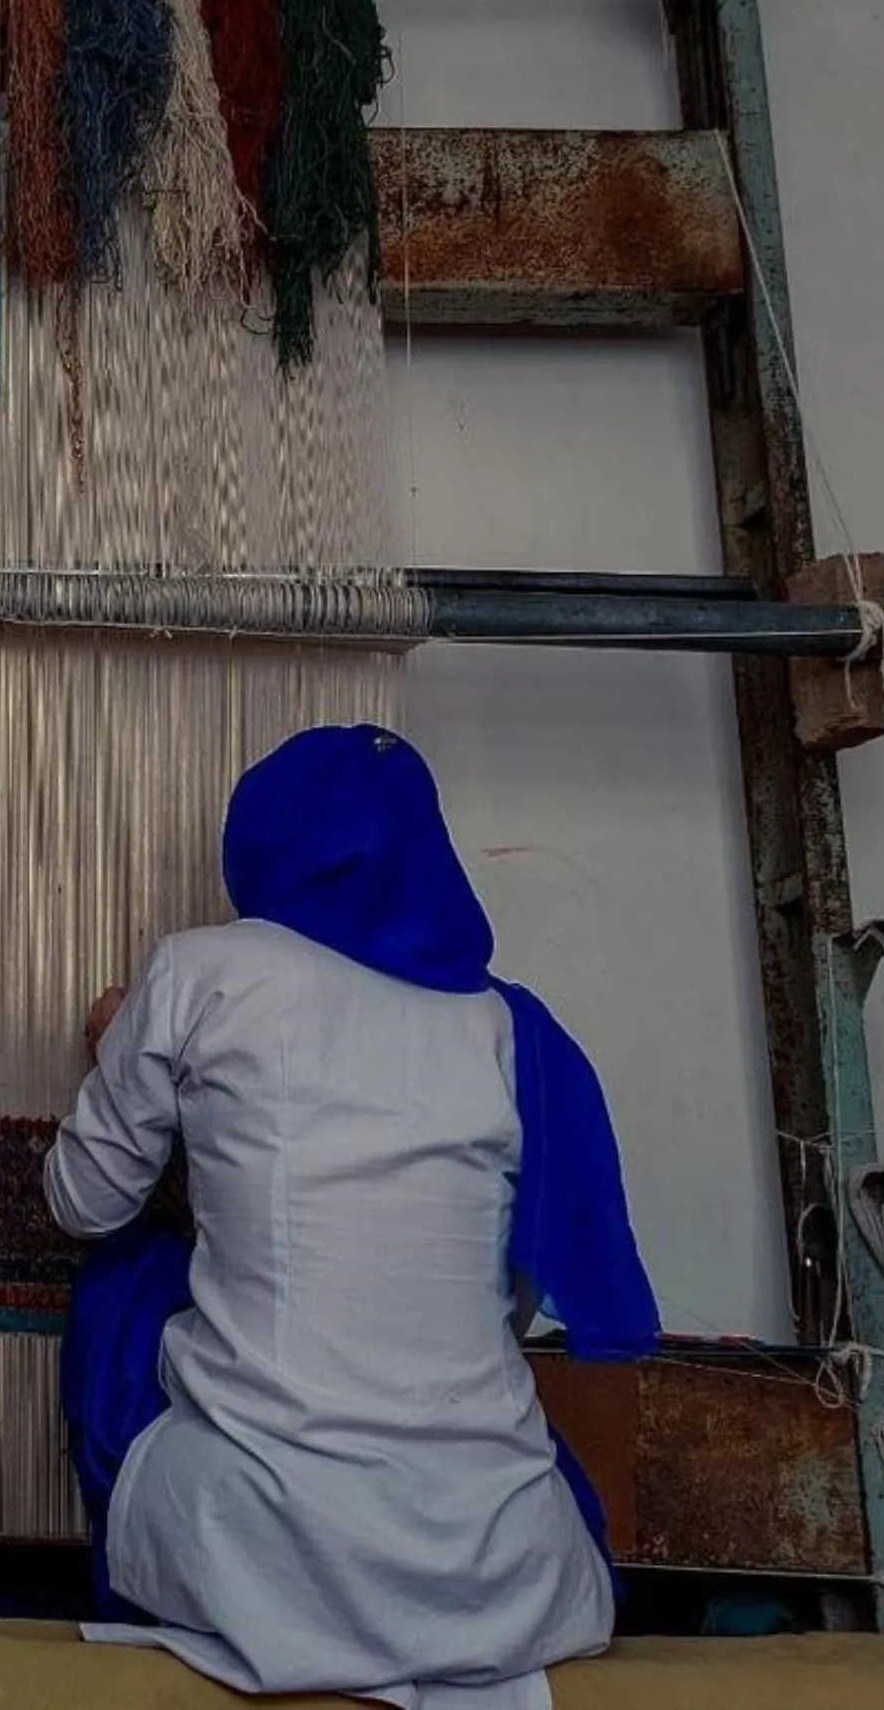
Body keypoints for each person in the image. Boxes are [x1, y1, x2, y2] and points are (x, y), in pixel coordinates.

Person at [48, 724, 659, 1710]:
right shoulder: (514, 1033)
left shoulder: (200, 969)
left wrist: (121, 1051)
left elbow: (83, 1204)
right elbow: (511, 1305)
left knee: (123, 1281)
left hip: (260, 1550)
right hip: (508, 1580)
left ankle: (163, 1586)